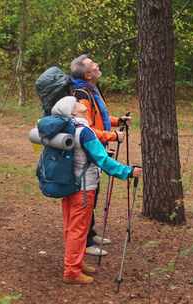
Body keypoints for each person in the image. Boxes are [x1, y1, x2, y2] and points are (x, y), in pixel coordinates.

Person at [50, 97, 142, 284]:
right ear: (73, 112)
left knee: (71, 226)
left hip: (69, 183)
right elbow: (103, 161)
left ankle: (75, 262)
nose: (79, 103)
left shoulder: (69, 128)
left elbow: (83, 153)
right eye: (75, 103)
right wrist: (128, 171)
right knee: (78, 228)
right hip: (84, 188)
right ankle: (72, 272)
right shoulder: (85, 131)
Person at [70, 54, 132, 256]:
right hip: (90, 151)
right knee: (87, 196)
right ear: (88, 75)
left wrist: (117, 121)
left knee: (93, 193)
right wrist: (113, 136)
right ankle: (85, 242)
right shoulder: (82, 95)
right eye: (93, 65)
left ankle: (91, 232)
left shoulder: (91, 90)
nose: (98, 66)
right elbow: (86, 126)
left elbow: (99, 117)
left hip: (97, 147)